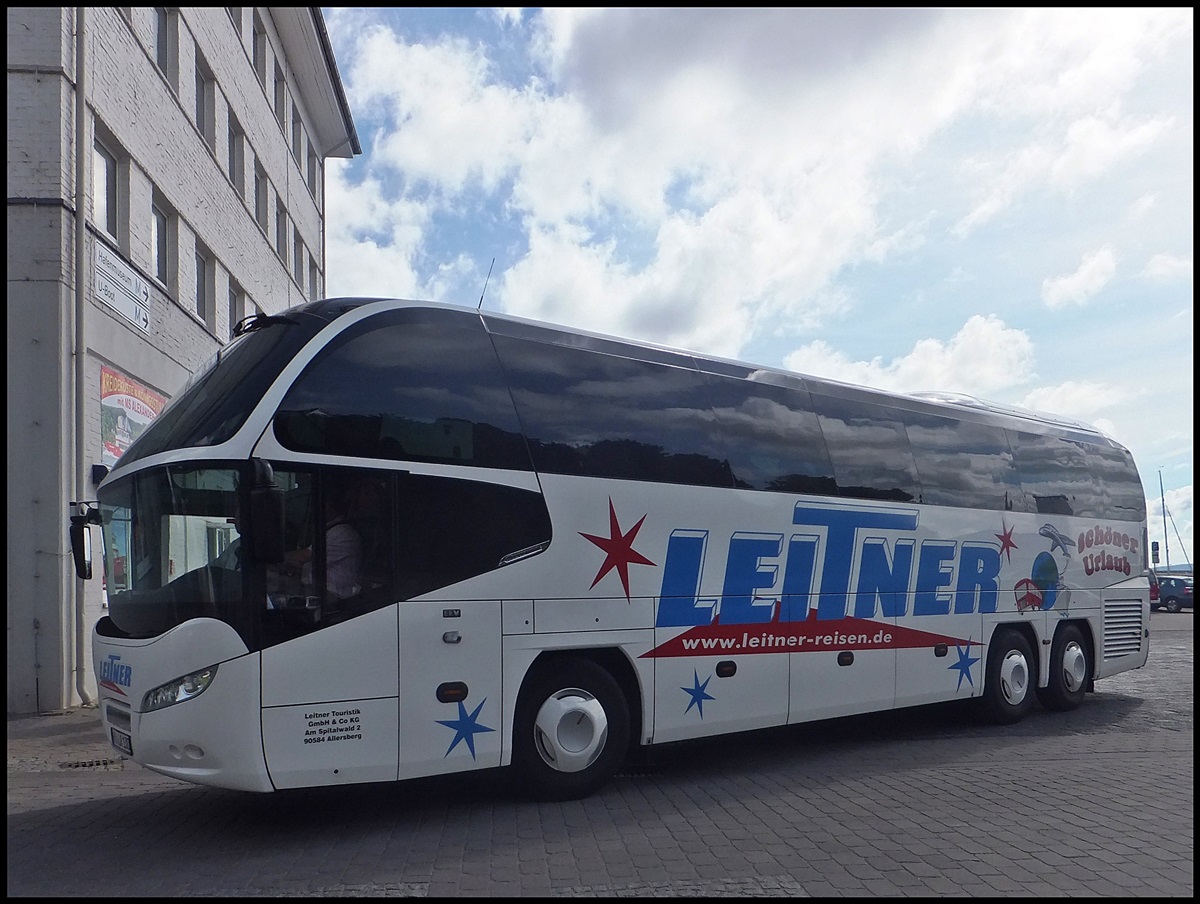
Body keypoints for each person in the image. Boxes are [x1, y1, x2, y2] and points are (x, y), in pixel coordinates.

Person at [282, 483, 363, 601]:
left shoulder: (342, 532)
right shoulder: (329, 529)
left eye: (321, 505)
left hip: (335, 597)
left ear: (331, 506)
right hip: (318, 589)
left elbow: (303, 557)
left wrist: (277, 559)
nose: (314, 510)